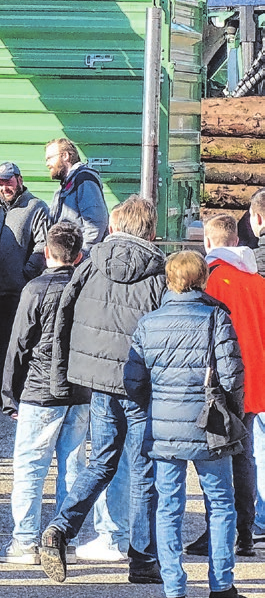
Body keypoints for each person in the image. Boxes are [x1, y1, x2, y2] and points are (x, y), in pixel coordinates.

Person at [40, 195, 166, 585]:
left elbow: (63, 317)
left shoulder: (89, 265)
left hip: (98, 382)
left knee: (101, 461)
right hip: (140, 384)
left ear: (113, 227)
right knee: (143, 468)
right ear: (150, 231)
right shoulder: (158, 273)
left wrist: (61, 377)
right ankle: (143, 559)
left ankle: (60, 528)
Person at [124, 250, 246, 598]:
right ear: (203, 279)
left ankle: (175, 586)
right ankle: (221, 584)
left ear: (169, 280)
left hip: (163, 427)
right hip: (210, 427)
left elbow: (132, 380)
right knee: (221, 503)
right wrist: (232, 413)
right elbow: (233, 375)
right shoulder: (216, 319)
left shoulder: (149, 322)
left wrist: (156, 404)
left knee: (168, 505)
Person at [0, 221, 89, 566]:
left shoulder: (35, 289)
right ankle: (65, 538)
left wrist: (8, 393)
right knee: (73, 466)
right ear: (78, 255)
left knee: (31, 467)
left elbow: (19, 345)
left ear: (47, 252)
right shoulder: (85, 287)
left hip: (40, 389)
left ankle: (26, 541)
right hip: (79, 389)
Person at [183, 213, 265, 558]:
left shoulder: (212, 278)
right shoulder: (257, 280)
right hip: (255, 380)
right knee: (244, 457)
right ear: (236, 240)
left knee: (215, 456)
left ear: (208, 241)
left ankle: (218, 529)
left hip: (221, 382)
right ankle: (245, 532)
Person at [0, 162, 49, 406]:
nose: (4, 187)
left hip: (18, 290)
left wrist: (26, 274)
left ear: (19, 179)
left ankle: (15, 391)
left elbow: (42, 246)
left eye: (8, 181)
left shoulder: (36, 207)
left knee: (17, 344)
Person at [44, 138, 108, 253]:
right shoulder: (64, 187)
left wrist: (80, 256)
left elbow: (96, 224)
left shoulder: (84, 180)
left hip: (78, 262)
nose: (47, 164)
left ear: (65, 156)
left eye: (49, 158)